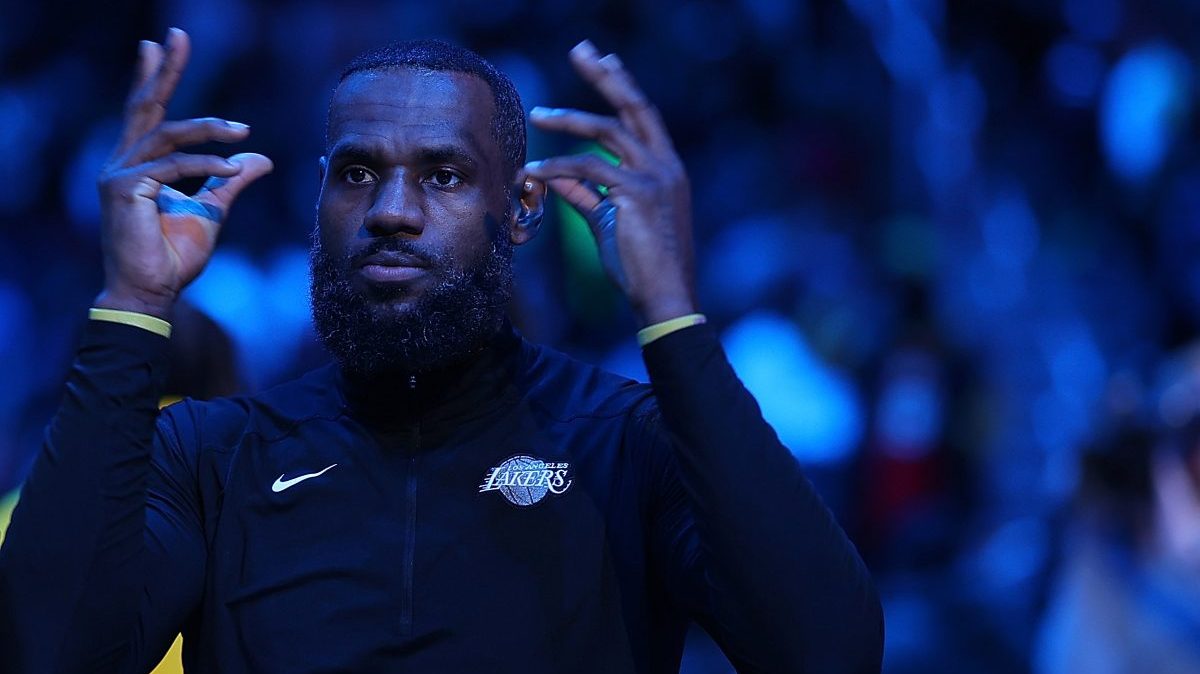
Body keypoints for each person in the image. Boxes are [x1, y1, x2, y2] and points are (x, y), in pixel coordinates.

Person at [0, 28, 883, 673]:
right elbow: (49, 655)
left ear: (523, 209)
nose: (392, 210)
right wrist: (132, 302)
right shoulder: (210, 457)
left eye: (444, 174)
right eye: (358, 173)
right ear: (318, 202)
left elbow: (827, 652)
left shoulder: (627, 444)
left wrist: (672, 315)